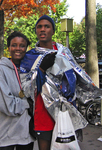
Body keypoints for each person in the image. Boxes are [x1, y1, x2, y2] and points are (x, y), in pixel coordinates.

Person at [20, 15, 87, 150]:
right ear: (36, 31)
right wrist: (41, 69)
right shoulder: (29, 56)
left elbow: (75, 80)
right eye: (39, 27)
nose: (43, 29)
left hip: (65, 113)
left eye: (47, 26)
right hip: (43, 115)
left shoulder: (64, 52)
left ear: (53, 31)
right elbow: (25, 89)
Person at [0, 31, 35, 150]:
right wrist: (26, 103)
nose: (18, 48)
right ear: (9, 48)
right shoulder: (2, 69)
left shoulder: (30, 70)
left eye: (22, 45)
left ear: (26, 48)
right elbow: (5, 103)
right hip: (5, 132)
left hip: (26, 133)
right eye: (14, 45)